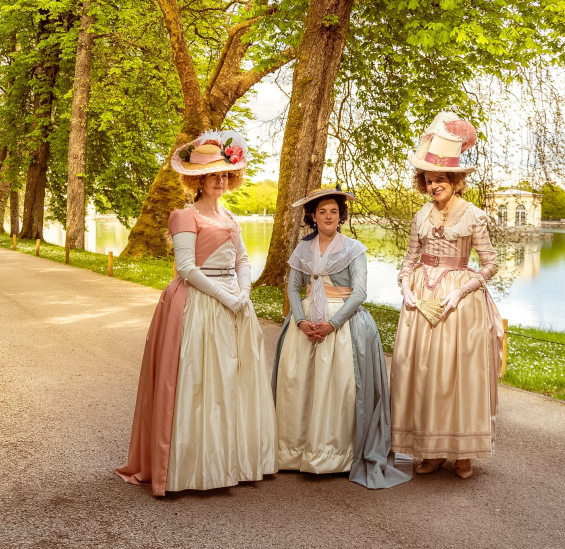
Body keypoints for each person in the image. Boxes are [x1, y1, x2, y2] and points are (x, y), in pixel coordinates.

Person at [115, 131, 277, 496]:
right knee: (200, 384)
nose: (221, 180)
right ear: (198, 180)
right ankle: (194, 468)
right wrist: (225, 296)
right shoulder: (184, 215)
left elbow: (243, 261)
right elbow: (187, 268)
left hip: (234, 303)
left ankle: (230, 461)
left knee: (231, 383)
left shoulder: (231, 217)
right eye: (213, 175)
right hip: (199, 305)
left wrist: (244, 293)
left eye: (225, 174)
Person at [272, 186, 411, 489]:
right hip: (306, 322)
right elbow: (293, 288)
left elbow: (359, 293)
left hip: (343, 324)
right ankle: (294, 452)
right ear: (312, 216)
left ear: (341, 216)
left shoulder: (354, 249)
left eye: (334, 211)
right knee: (298, 384)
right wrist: (299, 320)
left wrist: (333, 323)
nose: (328, 216)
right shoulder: (301, 249)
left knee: (339, 386)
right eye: (322, 211)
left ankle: (335, 454)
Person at [390, 112, 504, 479]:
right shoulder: (420, 215)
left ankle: (462, 452)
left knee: (456, 376)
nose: (434, 184)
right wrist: (406, 288)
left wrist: (461, 293)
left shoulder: (474, 216)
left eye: (441, 178)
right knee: (422, 372)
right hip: (421, 298)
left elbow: (490, 264)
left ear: (455, 180)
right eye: (428, 179)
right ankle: (430, 450)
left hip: (460, 303)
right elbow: (407, 260)